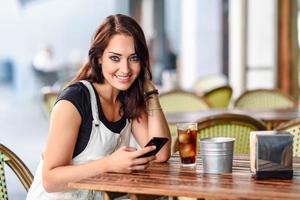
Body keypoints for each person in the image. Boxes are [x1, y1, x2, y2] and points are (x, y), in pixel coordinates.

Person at [26, 14, 171, 200]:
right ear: (100, 57)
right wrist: (109, 164)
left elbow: (160, 154)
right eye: (115, 58)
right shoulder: (75, 100)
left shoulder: (128, 98)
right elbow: (50, 180)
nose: (125, 69)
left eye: (133, 58)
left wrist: (150, 92)